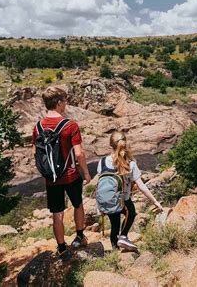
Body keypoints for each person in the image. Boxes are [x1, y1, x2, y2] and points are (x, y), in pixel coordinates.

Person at [32, 86, 91, 258]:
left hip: (52, 178)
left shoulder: (38, 127)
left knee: (57, 213)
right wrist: (86, 173)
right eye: (64, 101)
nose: (65, 104)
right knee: (78, 204)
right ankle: (79, 237)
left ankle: (62, 247)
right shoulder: (70, 125)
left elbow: (35, 152)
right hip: (70, 175)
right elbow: (79, 153)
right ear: (58, 103)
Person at [97, 131, 163, 251]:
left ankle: (115, 250)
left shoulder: (102, 162)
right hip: (123, 200)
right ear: (125, 143)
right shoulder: (130, 164)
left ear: (110, 145)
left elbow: (102, 182)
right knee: (131, 213)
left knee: (114, 225)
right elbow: (141, 186)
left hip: (108, 200)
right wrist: (155, 201)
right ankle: (123, 236)